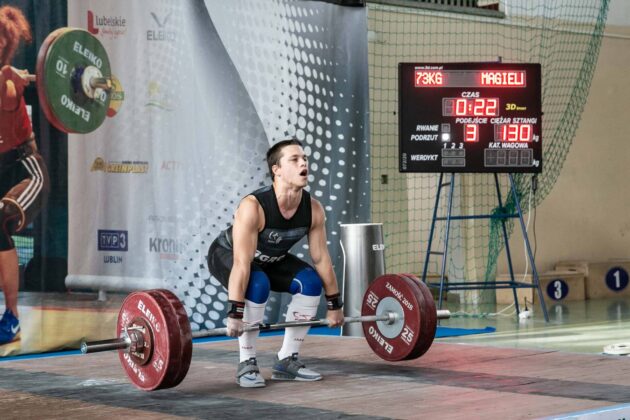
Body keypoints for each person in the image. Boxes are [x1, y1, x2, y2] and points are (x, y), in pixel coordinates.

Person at [207, 138, 344, 388]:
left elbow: (322, 258)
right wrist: (235, 312)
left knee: (310, 283)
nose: (303, 162)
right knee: (257, 283)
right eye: (294, 159)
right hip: (227, 254)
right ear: (276, 169)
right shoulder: (253, 206)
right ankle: (247, 362)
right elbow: (241, 262)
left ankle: (286, 360)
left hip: (272, 259)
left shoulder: (313, 208)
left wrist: (335, 305)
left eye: (305, 158)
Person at [0, 6, 49, 345]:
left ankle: (12, 317)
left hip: (27, 171)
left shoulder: (7, 81)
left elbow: (7, 92)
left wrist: (15, 79)